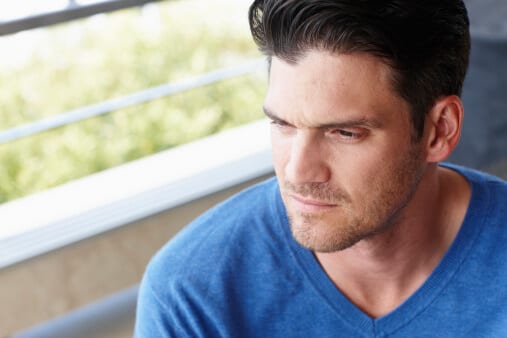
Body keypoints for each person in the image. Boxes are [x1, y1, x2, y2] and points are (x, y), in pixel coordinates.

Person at [134, 0, 507, 336]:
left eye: (344, 132)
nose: (298, 172)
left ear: (439, 130)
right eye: (283, 125)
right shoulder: (191, 291)